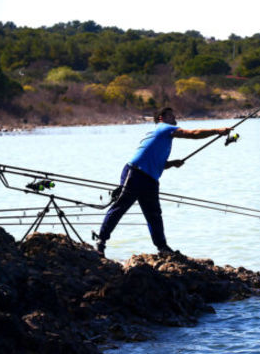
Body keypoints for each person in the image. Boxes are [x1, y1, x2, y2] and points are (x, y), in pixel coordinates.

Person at [94, 107, 231, 256]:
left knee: (154, 214)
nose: (175, 117)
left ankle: (162, 248)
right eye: (171, 115)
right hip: (135, 172)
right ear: (161, 118)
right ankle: (101, 241)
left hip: (150, 179)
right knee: (120, 207)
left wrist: (172, 163)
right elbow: (193, 134)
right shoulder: (164, 128)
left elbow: (157, 162)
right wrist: (217, 130)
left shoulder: (164, 138)